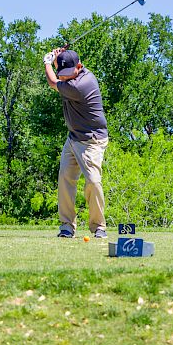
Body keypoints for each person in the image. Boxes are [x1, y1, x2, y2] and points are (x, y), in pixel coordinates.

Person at [44, 48, 109, 238]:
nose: (63, 77)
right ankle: (66, 226)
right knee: (65, 177)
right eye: (61, 73)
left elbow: (52, 81)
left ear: (79, 67)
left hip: (92, 141)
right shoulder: (72, 74)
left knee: (93, 181)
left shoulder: (81, 85)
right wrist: (58, 60)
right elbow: (60, 74)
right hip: (73, 137)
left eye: (66, 74)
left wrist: (47, 62)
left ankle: (99, 227)